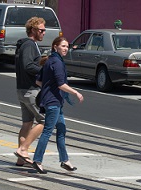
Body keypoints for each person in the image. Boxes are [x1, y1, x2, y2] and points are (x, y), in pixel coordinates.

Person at [31, 36, 84, 174]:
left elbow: (38, 81)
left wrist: (48, 87)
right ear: (55, 47)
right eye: (63, 46)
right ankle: (37, 160)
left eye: (67, 46)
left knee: (61, 130)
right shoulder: (58, 63)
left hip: (54, 101)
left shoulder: (50, 60)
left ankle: (65, 160)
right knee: (48, 131)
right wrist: (75, 92)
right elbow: (61, 84)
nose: (66, 49)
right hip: (53, 102)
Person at [13, 17, 46, 167]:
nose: (44, 33)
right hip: (31, 90)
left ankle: (21, 158)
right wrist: (44, 71)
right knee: (44, 121)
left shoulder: (25, 45)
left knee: (27, 123)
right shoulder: (29, 45)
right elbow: (28, 66)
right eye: (41, 30)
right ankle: (23, 149)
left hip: (22, 89)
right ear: (33, 30)